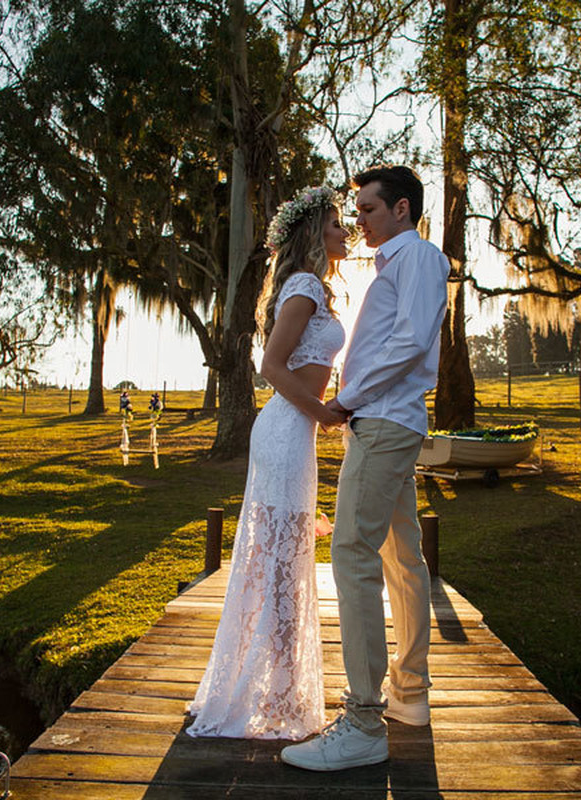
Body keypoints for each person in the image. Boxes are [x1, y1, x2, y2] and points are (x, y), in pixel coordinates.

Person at [282, 165, 449, 771]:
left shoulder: (420, 258)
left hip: (381, 422)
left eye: (369, 210)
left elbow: (409, 343)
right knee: (401, 555)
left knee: (350, 552)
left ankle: (361, 721)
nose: (359, 221)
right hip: (381, 422)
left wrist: (348, 399)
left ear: (401, 209)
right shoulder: (393, 265)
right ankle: (409, 696)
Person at [186, 186, 350, 740]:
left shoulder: (316, 289)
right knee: (281, 561)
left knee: (284, 558)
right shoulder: (304, 284)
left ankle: (277, 687)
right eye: (335, 223)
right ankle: (276, 694)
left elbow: (311, 359)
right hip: (286, 428)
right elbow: (271, 367)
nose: (344, 232)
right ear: (312, 235)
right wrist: (323, 413)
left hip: (293, 432)